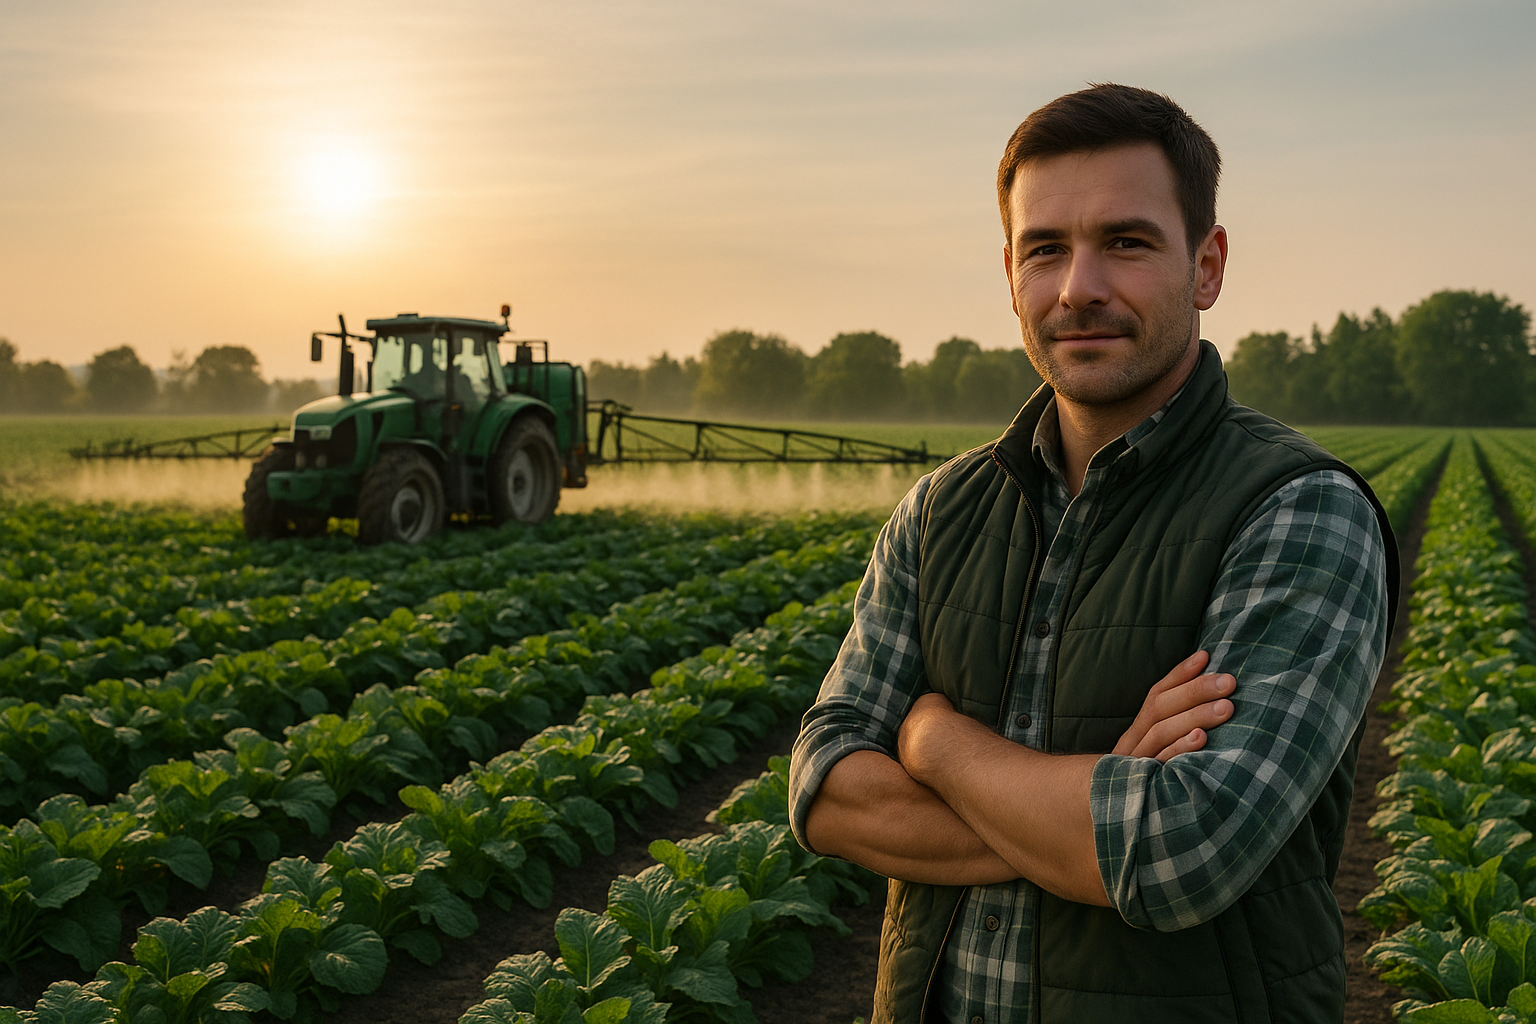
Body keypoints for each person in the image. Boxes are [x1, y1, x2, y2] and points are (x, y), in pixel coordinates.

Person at [787, 83, 1399, 1023]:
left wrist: (932, 741)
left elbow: (1179, 853)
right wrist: (1091, 807)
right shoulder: (938, 512)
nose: (1079, 287)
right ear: (1010, 273)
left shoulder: (1299, 510)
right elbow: (825, 789)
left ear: (1207, 266)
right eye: (1045, 250)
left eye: (1126, 241)